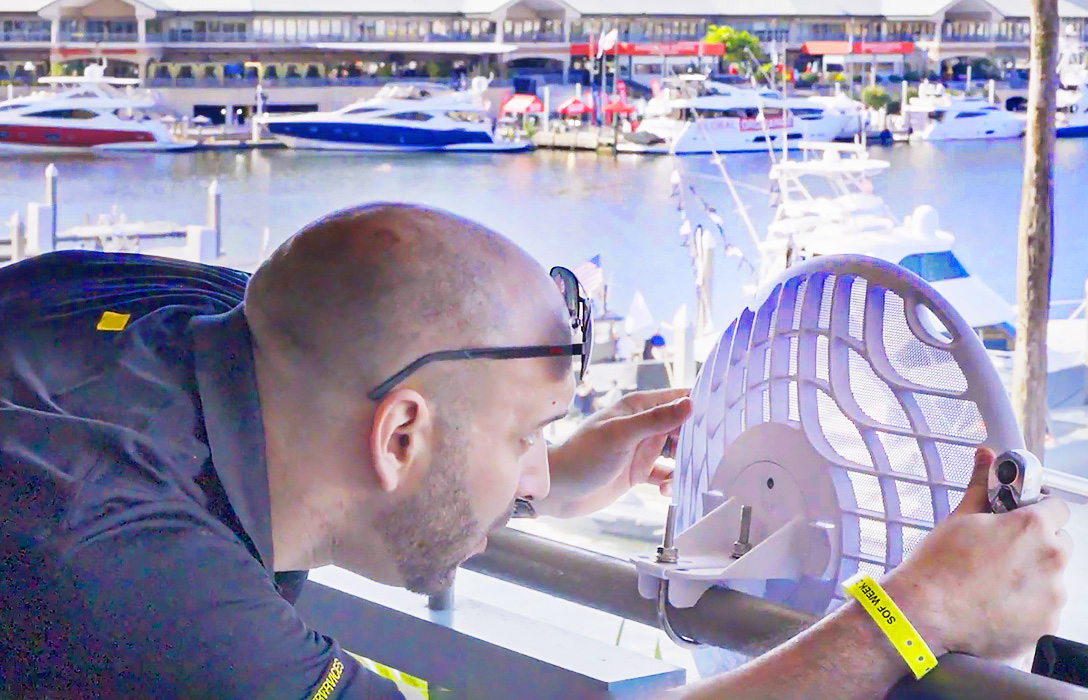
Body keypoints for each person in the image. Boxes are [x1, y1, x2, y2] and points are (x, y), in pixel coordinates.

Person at [0, 203, 1070, 700]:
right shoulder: (140, 593)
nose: (528, 468)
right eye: (526, 435)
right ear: (402, 434)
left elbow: (350, 325)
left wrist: (542, 478)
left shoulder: (163, 312)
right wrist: (911, 612)